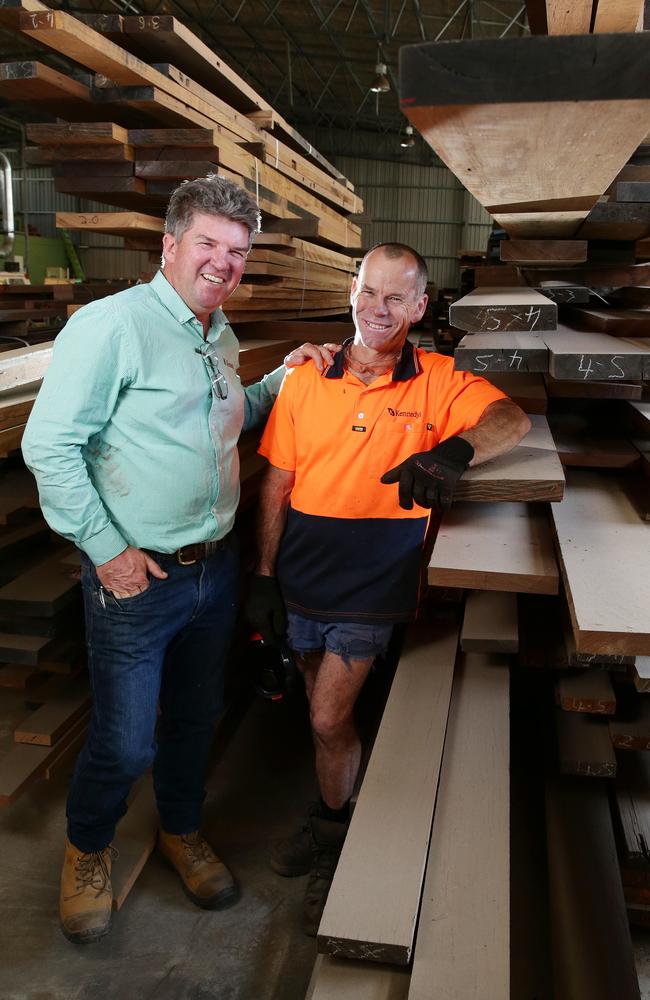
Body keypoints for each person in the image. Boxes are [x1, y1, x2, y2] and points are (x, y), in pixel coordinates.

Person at [21, 174, 338, 944]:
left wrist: (279, 381)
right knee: (127, 739)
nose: (225, 263)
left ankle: (181, 828)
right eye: (209, 244)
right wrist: (108, 552)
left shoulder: (214, 330)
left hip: (213, 568)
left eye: (238, 251)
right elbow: (48, 446)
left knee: (197, 715)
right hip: (139, 577)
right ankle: (89, 848)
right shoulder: (113, 327)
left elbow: (224, 419)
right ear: (170, 245)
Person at [246, 242, 531, 934]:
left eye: (397, 297)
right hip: (302, 575)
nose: (380, 309)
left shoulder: (437, 379)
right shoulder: (306, 377)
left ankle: (333, 835)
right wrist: (261, 578)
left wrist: (455, 450)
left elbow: (512, 421)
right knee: (318, 708)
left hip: (377, 580)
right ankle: (336, 813)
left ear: (420, 306)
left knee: (323, 717)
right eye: (370, 292)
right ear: (352, 291)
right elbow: (278, 484)